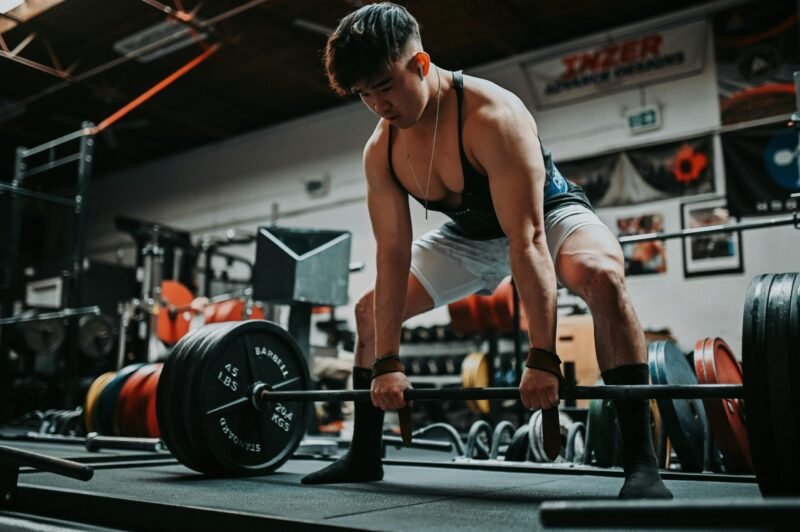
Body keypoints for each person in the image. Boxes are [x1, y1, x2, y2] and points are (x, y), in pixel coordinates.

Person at [301, 2, 671, 499]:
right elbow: (391, 254)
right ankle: (365, 454)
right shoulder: (381, 150)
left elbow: (528, 237)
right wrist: (386, 362)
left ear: (421, 64)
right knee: (369, 311)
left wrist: (543, 356)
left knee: (602, 277)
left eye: (385, 86)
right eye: (364, 94)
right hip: (470, 235)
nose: (378, 105)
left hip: (546, 213)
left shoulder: (492, 114)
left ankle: (642, 465)